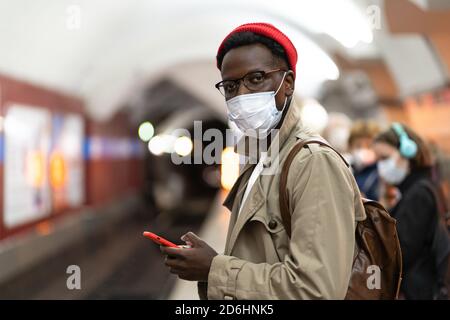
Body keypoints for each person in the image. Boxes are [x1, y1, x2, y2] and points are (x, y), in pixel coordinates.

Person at [160, 22, 365, 299]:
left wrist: (214, 269)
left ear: (288, 83)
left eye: (256, 79)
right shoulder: (259, 160)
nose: (241, 95)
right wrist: (208, 265)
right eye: (231, 86)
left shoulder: (313, 163)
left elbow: (317, 290)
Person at [373, 123, 449, 299]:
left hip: (420, 290)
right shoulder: (423, 186)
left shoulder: (419, 194)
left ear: (407, 151)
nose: (381, 166)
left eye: (384, 158)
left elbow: (400, 252)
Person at [348, 120, 381, 200]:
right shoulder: (348, 169)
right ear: (350, 147)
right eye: (358, 146)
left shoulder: (382, 172)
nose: (363, 149)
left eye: (369, 146)